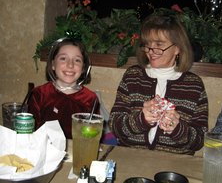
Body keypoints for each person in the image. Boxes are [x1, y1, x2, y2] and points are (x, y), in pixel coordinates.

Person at [109, 14, 208, 155]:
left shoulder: (194, 85)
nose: (151, 51)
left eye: (159, 45)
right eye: (147, 45)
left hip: (174, 164)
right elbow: (114, 126)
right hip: (131, 157)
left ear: (178, 48)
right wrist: (140, 119)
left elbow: (200, 139)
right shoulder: (133, 76)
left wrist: (178, 129)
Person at [28, 37, 99, 139]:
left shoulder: (91, 99)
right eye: (63, 58)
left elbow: (91, 134)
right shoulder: (39, 94)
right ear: (52, 64)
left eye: (77, 60)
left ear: (83, 68)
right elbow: (30, 133)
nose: (70, 65)